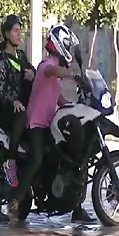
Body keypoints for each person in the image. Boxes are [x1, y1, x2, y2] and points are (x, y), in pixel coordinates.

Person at [8, 23, 95, 224]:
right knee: (37, 159)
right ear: (59, 44)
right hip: (36, 124)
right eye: (67, 45)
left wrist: (74, 106)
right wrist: (74, 76)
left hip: (49, 123)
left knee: (70, 160)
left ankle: (76, 208)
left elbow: (58, 99)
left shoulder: (56, 72)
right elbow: (52, 71)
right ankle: (16, 200)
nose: (70, 50)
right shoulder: (46, 65)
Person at [0, 14, 35, 187]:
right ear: (7, 34)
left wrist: (33, 74)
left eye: (20, 31)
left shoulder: (21, 56)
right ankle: (11, 162)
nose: (19, 34)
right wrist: (14, 102)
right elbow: (0, 90)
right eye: (15, 31)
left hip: (25, 104)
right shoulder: (3, 61)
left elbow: (33, 71)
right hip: (9, 110)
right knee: (22, 116)